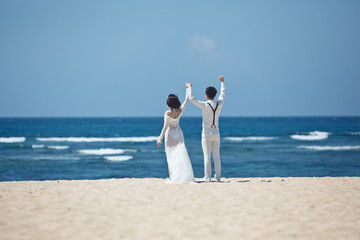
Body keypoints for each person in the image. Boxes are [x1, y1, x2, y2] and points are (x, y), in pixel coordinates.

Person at [186, 76, 225, 182]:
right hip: (216, 132)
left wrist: (189, 87)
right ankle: (217, 177)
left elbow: (192, 99)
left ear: (206, 95)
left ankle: (207, 177)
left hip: (207, 132)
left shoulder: (204, 105)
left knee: (207, 156)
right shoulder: (219, 104)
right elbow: (223, 94)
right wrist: (222, 82)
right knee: (216, 156)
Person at [157, 88, 195, 184]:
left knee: (170, 155)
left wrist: (160, 139)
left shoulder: (167, 113)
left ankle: (172, 177)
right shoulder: (179, 111)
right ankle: (182, 174)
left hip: (170, 134)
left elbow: (165, 127)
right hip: (178, 133)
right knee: (181, 154)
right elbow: (186, 101)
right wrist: (188, 89)